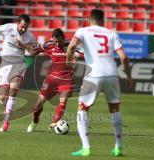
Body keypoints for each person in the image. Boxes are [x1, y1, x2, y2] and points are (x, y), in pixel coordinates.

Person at [66, 9, 133, 157]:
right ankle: (118, 147)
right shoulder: (111, 33)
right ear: (103, 20)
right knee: (115, 109)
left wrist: (68, 61)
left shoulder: (83, 31)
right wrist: (128, 76)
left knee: (82, 109)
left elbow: (71, 47)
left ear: (90, 19)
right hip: (112, 74)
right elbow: (124, 57)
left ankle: (86, 148)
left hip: (93, 75)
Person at [27, 28, 83, 133]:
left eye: (59, 41)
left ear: (63, 38)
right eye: (55, 41)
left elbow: (82, 52)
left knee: (63, 101)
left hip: (66, 80)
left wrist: (76, 56)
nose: (57, 43)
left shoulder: (71, 46)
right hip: (51, 80)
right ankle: (34, 122)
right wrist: (30, 48)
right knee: (37, 106)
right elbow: (36, 51)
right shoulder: (49, 45)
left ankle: (55, 122)